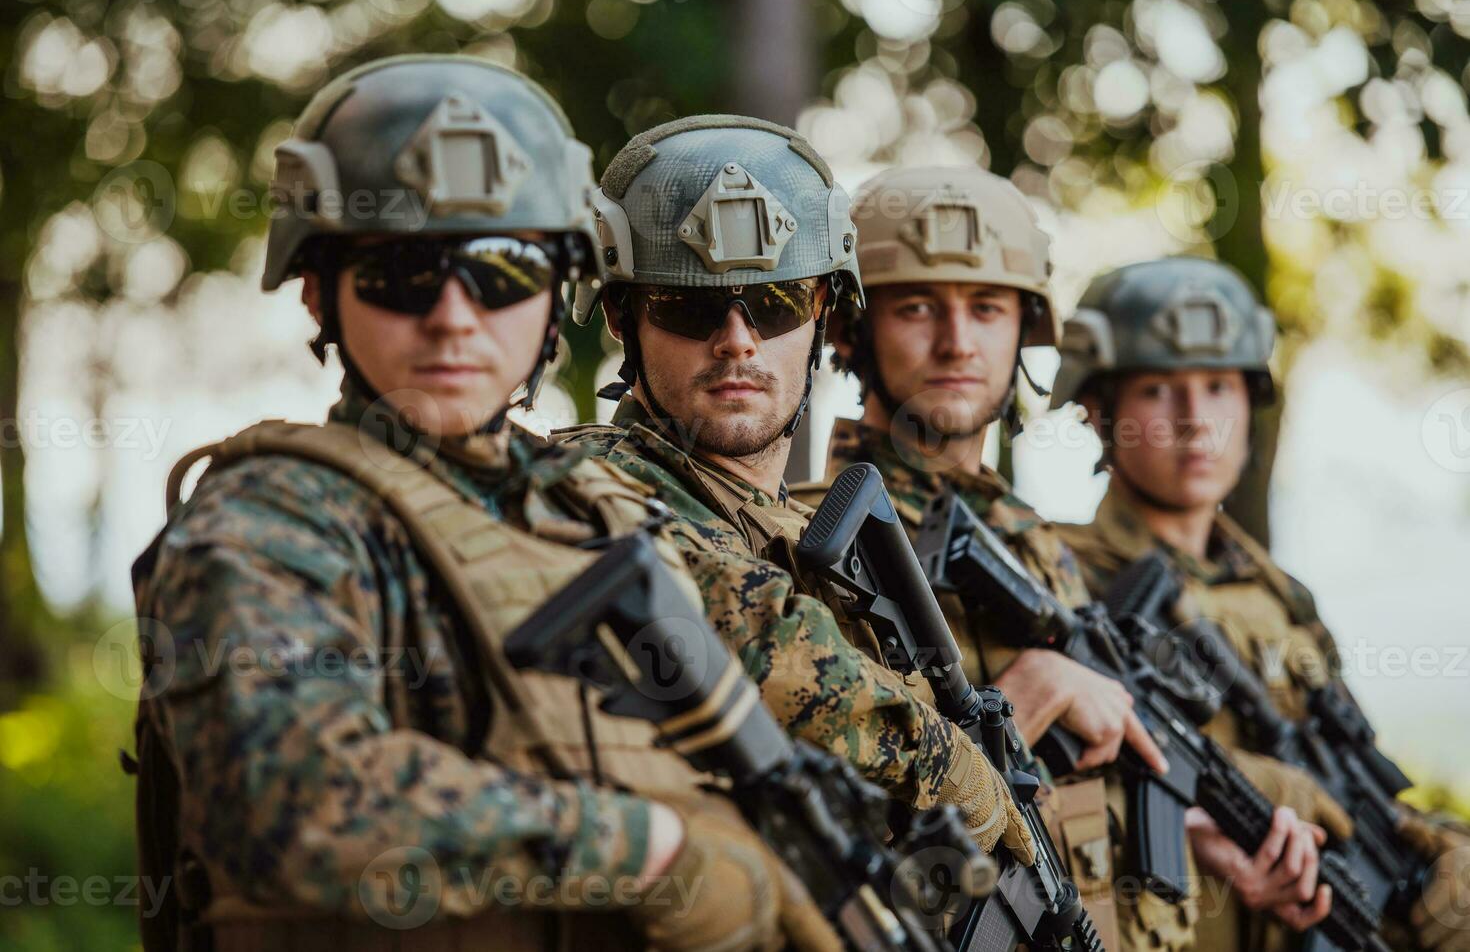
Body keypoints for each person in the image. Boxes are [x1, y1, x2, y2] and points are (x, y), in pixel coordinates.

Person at [128, 55, 841, 952]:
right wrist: (650, 850)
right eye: (402, 271)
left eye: (502, 267)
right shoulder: (271, 521)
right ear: (319, 289)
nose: (455, 317)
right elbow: (295, 807)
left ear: (557, 296)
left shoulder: (595, 517)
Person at [795, 167, 1336, 950]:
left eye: (987, 308)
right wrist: (1029, 694)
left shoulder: (1034, 543)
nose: (958, 342)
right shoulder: (815, 536)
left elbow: (1058, 802)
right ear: (849, 332)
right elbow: (824, 812)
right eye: (917, 307)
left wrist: (1197, 843)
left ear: (1027, 330)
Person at [557, 117, 1035, 866]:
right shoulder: (582, 488)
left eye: (775, 302)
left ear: (821, 315)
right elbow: (748, 639)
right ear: (622, 318)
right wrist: (957, 773)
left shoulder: (813, 534)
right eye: (689, 305)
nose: (738, 340)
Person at [1052, 255, 1470, 952]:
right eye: (1159, 389)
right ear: (1099, 412)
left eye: (1219, 387)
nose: (1195, 421)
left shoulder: (1279, 596)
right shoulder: (1061, 578)